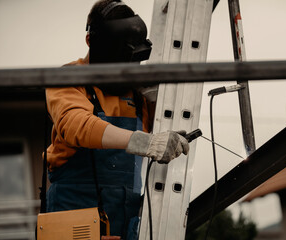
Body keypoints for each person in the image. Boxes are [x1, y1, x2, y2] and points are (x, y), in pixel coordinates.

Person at [45, 1, 189, 239]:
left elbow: (160, 138)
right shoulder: (68, 78)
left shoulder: (136, 93)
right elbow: (76, 126)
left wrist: (157, 101)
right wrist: (144, 142)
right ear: (91, 42)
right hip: (75, 218)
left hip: (125, 220)